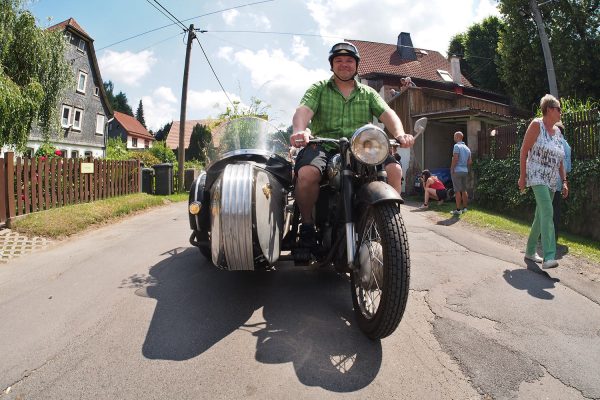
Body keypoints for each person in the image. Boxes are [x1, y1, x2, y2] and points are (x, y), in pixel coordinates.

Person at [290, 41, 415, 251]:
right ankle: (308, 227)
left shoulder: (368, 93)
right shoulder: (319, 89)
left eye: (349, 60)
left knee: (394, 169)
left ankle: (388, 225)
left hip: (363, 148)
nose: (344, 64)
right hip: (324, 145)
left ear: (356, 65)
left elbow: (388, 114)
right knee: (307, 174)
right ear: (332, 65)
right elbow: (303, 110)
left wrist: (400, 134)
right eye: (339, 60)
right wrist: (299, 130)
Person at [518, 94, 568, 269]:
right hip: (536, 175)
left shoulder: (557, 133)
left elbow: (560, 159)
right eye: (558, 109)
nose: (561, 112)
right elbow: (524, 151)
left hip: (552, 180)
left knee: (540, 217)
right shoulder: (536, 125)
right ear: (549, 109)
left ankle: (530, 251)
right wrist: (522, 177)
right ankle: (549, 256)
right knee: (548, 211)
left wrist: (564, 181)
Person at [552, 121, 571, 243]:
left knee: (545, 209)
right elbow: (568, 168)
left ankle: (542, 236)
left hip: (549, 181)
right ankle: (554, 237)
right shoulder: (568, 147)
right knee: (556, 211)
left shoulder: (553, 142)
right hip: (560, 183)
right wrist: (564, 182)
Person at [450, 131, 472, 215]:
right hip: (465, 171)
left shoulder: (456, 146)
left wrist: (452, 168)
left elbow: (455, 158)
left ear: (458, 137)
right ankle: (465, 208)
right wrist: (463, 165)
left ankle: (458, 210)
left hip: (457, 171)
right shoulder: (467, 148)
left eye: (454, 136)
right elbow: (470, 162)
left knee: (457, 190)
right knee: (464, 190)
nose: (454, 138)